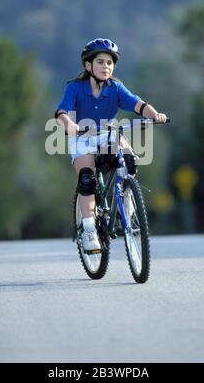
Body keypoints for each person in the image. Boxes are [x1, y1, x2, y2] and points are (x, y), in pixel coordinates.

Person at [54, 38, 167, 251]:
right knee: (87, 179)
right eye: (100, 62)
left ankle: (126, 199)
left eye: (109, 62)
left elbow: (138, 104)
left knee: (130, 160)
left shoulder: (116, 87)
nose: (105, 66)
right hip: (82, 138)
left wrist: (155, 115)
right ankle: (88, 230)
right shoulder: (75, 88)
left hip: (108, 134)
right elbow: (61, 112)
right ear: (88, 66)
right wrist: (69, 124)